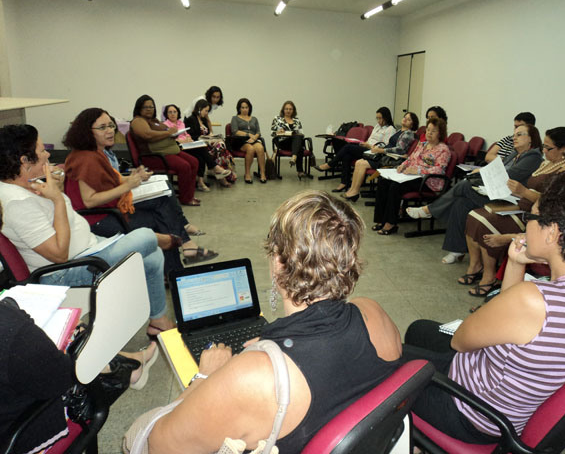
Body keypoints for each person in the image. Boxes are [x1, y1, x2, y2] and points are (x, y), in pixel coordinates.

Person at [144, 191, 402, 453]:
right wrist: (271, 348)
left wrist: (204, 377)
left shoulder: (254, 378)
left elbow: (158, 445)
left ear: (278, 262)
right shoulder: (374, 313)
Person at [404, 170, 565, 444]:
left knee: (380, 359)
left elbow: (462, 342)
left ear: (553, 233)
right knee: (419, 330)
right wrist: (515, 263)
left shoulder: (534, 300)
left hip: (471, 413)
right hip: (505, 398)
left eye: (530, 218)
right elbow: (509, 320)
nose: (526, 226)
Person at [0, 124, 174, 337]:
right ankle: (160, 240)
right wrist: (56, 198)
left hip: (89, 249)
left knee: (153, 255)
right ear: (24, 161)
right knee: (147, 236)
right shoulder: (17, 203)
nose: (47, 154)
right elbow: (59, 254)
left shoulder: (28, 184)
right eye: (41, 150)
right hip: (66, 271)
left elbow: (59, 218)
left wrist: (58, 190)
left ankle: (158, 320)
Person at [0, 295, 159, 454]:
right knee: (76, 338)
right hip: (19, 435)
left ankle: (126, 365)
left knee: (74, 336)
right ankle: (124, 367)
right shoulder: (12, 329)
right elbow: (62, 378)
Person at [63, 108, 218, 268]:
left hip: (109, 209)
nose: (110, 131)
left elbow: (112, 179)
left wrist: (133, 177)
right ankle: (177, 266)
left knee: (163, 201)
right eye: (102, 128)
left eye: (111, 126)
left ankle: (178, 261)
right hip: (98, 219)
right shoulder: (86, 158)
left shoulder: (96, 152)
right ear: (87, 132)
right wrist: (128, 185)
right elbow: (89, 201)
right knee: (162, 217)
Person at [459, 127, 565, 296]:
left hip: (537, 216)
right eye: (544, 146)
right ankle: (476, 265)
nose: (544, 151)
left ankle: (489, 276)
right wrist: (513, 191)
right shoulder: (547, 163)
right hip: (521, 205)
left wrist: (523, 192)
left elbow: (551, 201)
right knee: (474, 215)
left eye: (548, 148)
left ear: (564, 148)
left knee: (485, 221)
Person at [416, 123, 543, 264]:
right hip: (495, 192)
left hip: (510, 201)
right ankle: (456, 250)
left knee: (464, 186)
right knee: (460, 203)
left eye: (519, 135)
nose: (514, 138)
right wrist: (482, 171)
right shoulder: (515, 153)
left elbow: (507, 174)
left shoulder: (533, 157)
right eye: (514, 135)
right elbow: (495, 168)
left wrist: (481, 172)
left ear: (531, 139)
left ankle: (430, 210)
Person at [372, 118, 451, 235]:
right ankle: (381, 220)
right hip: (411, 177)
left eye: (433, 131)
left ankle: (391, 223)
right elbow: (410, 159)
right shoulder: (422, 144)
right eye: (428, 130)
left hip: (428, 182)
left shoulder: (443, 149)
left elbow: (439, 169)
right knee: (383, 182)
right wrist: (402, 166)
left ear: (440, 133)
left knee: (395, 187)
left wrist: (418, 170)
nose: (429, 133)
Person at [130, 95, 200, 206]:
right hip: (153, 156)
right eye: (145, 107)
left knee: (194, 162)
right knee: (184, 166)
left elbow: (165, 131)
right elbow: (147, 134)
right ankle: (185, 198)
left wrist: (172, 133)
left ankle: (189, 194)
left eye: (151, 107)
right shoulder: (138, 121)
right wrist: (168, 133)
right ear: (139, 108)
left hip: (168, 151)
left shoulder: (154, 121)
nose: (149, 109)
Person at [341, 111, 420, 202]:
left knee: (362, 164)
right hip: (385, 155)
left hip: (391, 159)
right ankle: (351, 190)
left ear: (412, 124)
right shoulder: (399, 131)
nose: (405, 119)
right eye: (405, 117)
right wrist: (378, 148)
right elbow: (389, 144)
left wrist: (381, 150)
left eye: (409, 119)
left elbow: (400, 149)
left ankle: (355, 192)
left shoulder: (408, 133)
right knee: (359, 162)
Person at [314, 107, 395, 192]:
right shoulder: (377, 126)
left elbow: (385, 147)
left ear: (386, 117)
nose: (378, 121)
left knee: (348, 147)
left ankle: (330, 164)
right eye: (377, 118)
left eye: (380, 118)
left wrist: (369, 146)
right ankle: (344, 183)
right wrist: (363, 143)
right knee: (346, 156)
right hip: (366, 148)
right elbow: (370, 139)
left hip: (374, 152)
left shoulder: (390, 129)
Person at [180, 100, 232, 191]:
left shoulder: (203, 119)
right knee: (206, 149)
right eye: (206, 110)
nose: (207, 113)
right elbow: (190, 135)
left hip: (204, 144)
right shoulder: (190, 118)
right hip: (195, 144)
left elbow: (208, 132)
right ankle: (216, 169)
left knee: (220, 145)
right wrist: (203, 138)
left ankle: (218, 171)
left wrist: (212, 138)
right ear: (199, 109)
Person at [271, 100, 312, 180]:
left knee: (298, 139)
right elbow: (272, 132)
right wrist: (279, 132)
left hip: (294, 143)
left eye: (290, 109)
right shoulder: (277, 119)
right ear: (283, 110)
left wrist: (295, 134)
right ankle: (299, 169)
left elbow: (301, 134)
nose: (288, 111)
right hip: (282, 142)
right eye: (286, 109)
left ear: (293, 110)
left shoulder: (297, 120)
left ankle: (294, 158)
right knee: (298, 144)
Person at [230, 98, 267, 183]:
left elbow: (258, 132)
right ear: (239, 108)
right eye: (242, 107)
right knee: (250, 149)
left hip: (253, 139)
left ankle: (262, 173)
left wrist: (254, 137)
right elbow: (235, 131)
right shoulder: (235, 118)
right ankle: (247, 174)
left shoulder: (254, 119)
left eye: (246, 107)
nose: (244, 109)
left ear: (249, 108)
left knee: (260, 148)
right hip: (240, 141)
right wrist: (248, 135)